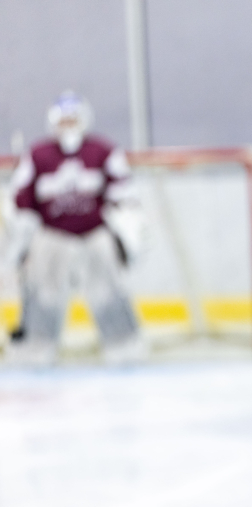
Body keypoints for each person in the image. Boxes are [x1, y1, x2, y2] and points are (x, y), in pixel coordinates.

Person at [3, 91, 146, 365]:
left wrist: (127, 237)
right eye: (64, 120)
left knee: (108, 291)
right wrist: (20, 243)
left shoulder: (103, 151)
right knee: (44, 293)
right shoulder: (37, 154)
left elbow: (124, 195)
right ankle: (37, 348)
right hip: (51, 235)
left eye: (73, 119)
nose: (69, 126)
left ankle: (124, 345)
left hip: (95, 233)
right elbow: (21, 199)